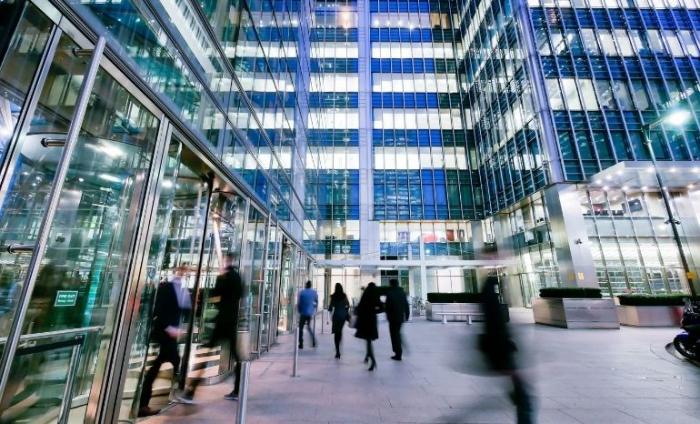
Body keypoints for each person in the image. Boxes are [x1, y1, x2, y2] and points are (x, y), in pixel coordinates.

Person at [182, 253, 243, 402]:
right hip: (231, 322)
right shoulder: (237, 277)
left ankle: (191, 391)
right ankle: (238, 389)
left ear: (227, 261)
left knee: (207, 353)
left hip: (222, 322)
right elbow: (240, 294)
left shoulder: (224, 277)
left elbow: (215, 294)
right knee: (236, 357)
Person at [479, 275, 534, 424]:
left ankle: (520, 403)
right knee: (523, 395)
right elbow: (497, 327)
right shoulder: (491, 299)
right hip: (501, 351)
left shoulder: (487, 296)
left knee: (521, 392)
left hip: (499, 350)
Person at [138, 264, 191, 417]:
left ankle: (175, 392)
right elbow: (158, 311)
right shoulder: (166, 287)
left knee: (170, 361)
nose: (183, 273)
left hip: (171, 334)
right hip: (164, 332)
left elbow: (184, 310)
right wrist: (169, 328)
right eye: (181, 270)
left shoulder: (182, 290)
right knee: (170, 362)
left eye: (185, 271)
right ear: (175, 272)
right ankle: (176, 392)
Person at [354, 282, 382, 371]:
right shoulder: (375, 296)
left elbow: (359, 308)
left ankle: (371, 359)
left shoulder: (365, 295)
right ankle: (371, 359)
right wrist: (375, 311)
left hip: (364, 320)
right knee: (369, 340)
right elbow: (381, 307)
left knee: (368, 340)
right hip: (371, 320)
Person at [384, 278, 410, 361]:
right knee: (397, 333)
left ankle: (398, 353)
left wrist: (387, 315)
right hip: (400, 317)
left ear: (391, 284)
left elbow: (387, 306)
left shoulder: (390, 293)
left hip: (392, 317)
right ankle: (399, 351)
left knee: (394, 335)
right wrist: (407, 315)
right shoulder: (402, 293)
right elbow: (406, 305)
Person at [328, 283, 350, 359]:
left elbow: (330, 308)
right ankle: (339, 344)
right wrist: (346, 311)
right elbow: (348, 305)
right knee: (339, 331)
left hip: (336, 316)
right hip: (343, 316)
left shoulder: (333, 297)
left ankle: (337, 351)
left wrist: (330, 313)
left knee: (336, 333)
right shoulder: (344, 296)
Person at [297, 280, 318, 349]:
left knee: (301, 328)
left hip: (303, 313)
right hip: (309, 313)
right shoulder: (314, 293)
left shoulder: (302, 292)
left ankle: (301, 343)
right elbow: (316, 303)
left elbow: (299, 303)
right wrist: (313, 309)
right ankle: (313, 341)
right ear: (311, 285)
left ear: (306, 285)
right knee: (309, 327)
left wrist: (299, 310)